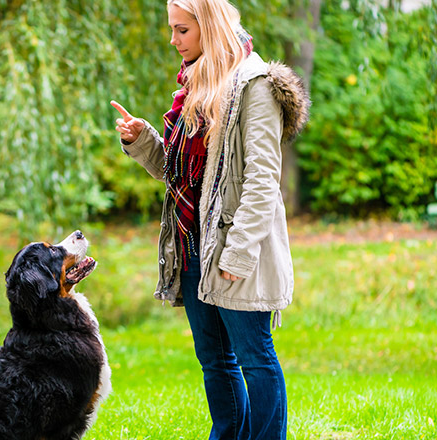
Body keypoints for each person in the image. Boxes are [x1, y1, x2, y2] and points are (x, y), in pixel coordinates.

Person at [110, 0, 310, 438]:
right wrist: (143, 140)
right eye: (171, 29)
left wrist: (237, 254)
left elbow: (262, 180)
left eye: (181, 30)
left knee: (255, 356)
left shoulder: (254, 85)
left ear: (209, 25)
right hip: (191, 247)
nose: (173, 40)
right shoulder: (196, 85)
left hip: (235, 249)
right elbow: (182, 175)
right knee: (216, 361)